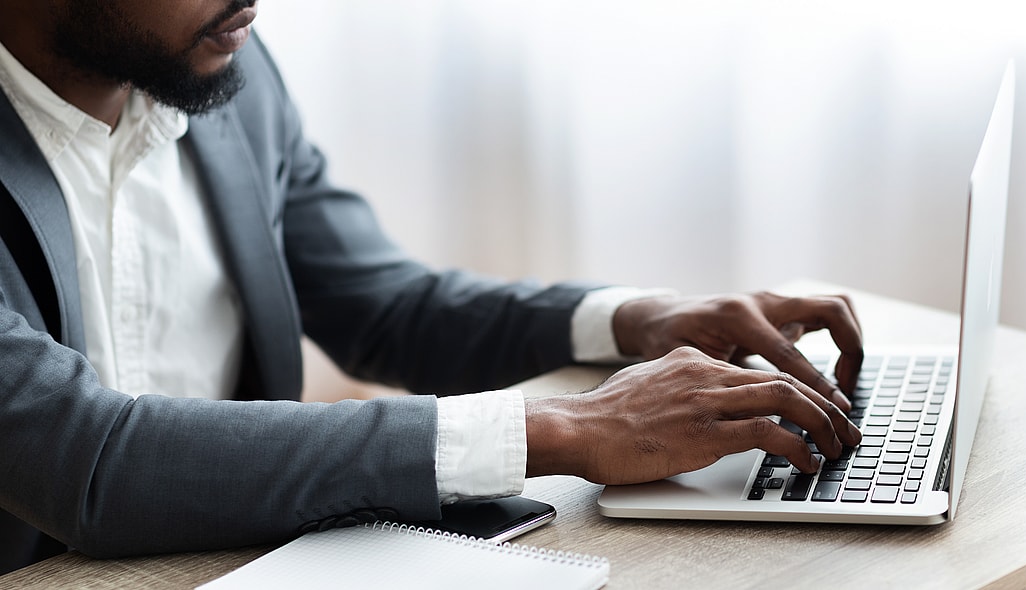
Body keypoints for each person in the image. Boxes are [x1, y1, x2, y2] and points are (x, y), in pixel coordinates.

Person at [0, 0, 864, 574]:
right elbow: (90, 459)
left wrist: (630, 318)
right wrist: (565, 429)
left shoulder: (220, 67)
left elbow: (382, 303)